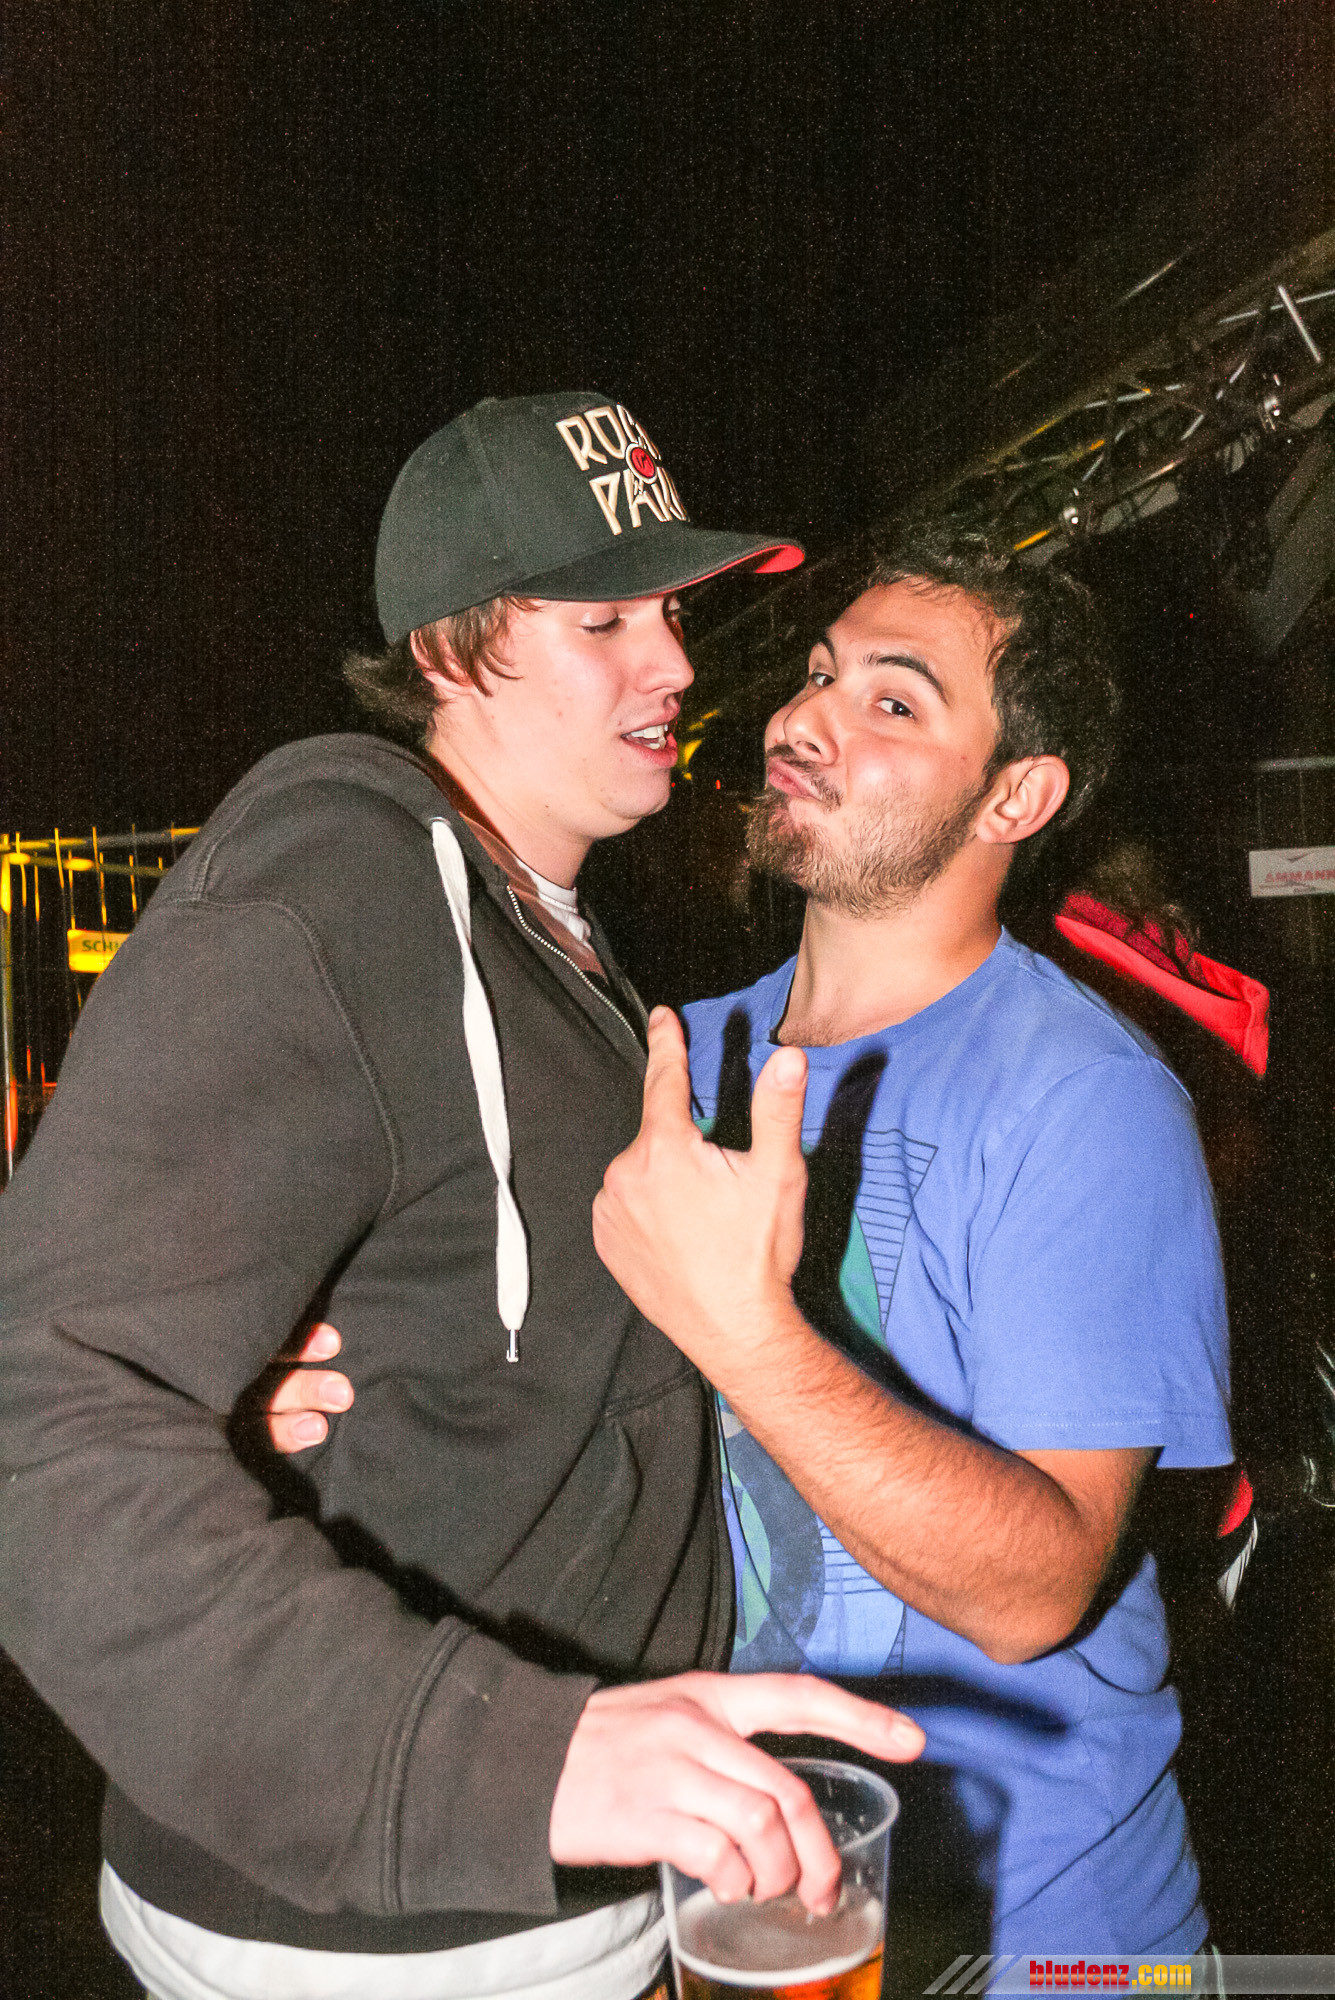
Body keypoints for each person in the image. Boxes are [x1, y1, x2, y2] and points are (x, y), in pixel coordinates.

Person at [0, 391, 924, 2000]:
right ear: (445, 649)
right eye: (603, 621)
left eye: (674, 613)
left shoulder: (542, 926)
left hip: (564, 1880)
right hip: (390, 1932)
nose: (675, 664)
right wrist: (514, 1764)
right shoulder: (338, 878)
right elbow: (39, 1415)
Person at [586, 529, 1234, 1956]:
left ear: (1018, 794)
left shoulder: (1085, 1099)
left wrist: (750, 1334)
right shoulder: (685, 1058)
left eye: (894, 700)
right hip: (759, 1896)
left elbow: (1037, 1589)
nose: (803, 718)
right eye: (819, 675)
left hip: (1042, 1935)